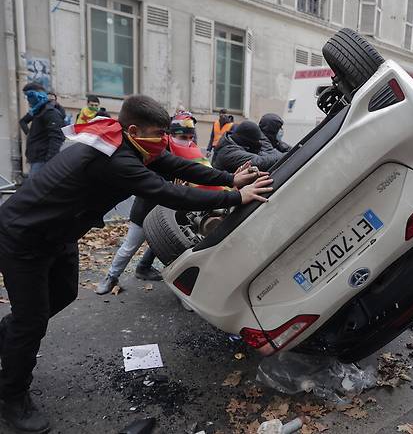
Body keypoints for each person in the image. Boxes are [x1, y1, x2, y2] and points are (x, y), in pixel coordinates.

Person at [0, 95, 272, 432]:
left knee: (64, 294)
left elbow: (175, 165)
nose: (164, 140)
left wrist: (229, 178)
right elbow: (169, 193)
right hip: (24, 235)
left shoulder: (127, 141)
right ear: (133, 129)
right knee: (32, 321)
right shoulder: (114, 159)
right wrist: (235, 197)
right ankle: (11, 395)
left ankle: (8, 338)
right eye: (159, 133)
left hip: (59, 234)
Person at [97, 111, 204, 294]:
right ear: (170, 135)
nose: (186, 140)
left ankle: (144, 267)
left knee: (163, 241)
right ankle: (111, 277)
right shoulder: (156, 151)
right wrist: (172, 185)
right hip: (146, 208)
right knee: (129, 247)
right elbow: (148, 180)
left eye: (189, 137)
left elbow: (196, 172)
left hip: (168, 210)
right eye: (181, 136)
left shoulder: (190, 152)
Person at [20, 82, 65, 176]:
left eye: (30, 96)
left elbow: (57, 137)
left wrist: (49, 161)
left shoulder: (50, 112)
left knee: (35, 189)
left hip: (42, 161)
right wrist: (30, 135)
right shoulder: (38, 112)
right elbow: (23, 121)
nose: (28, 100)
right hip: (36, 159)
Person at [212, 120, 282, 173]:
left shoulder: (236, 143)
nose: (259, 143)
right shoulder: (228, 152)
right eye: (256, 141)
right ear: (247, 141)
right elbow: (259, 162)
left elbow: (264, 153)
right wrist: (286, 156)